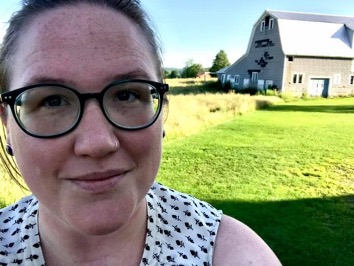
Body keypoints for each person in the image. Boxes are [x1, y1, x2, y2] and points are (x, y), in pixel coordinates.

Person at [0, 0, 281, 265]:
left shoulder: (229, 255)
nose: (98, 142)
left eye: (126, 95)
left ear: (163, 113)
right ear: (7, 124)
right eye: (52, 101)